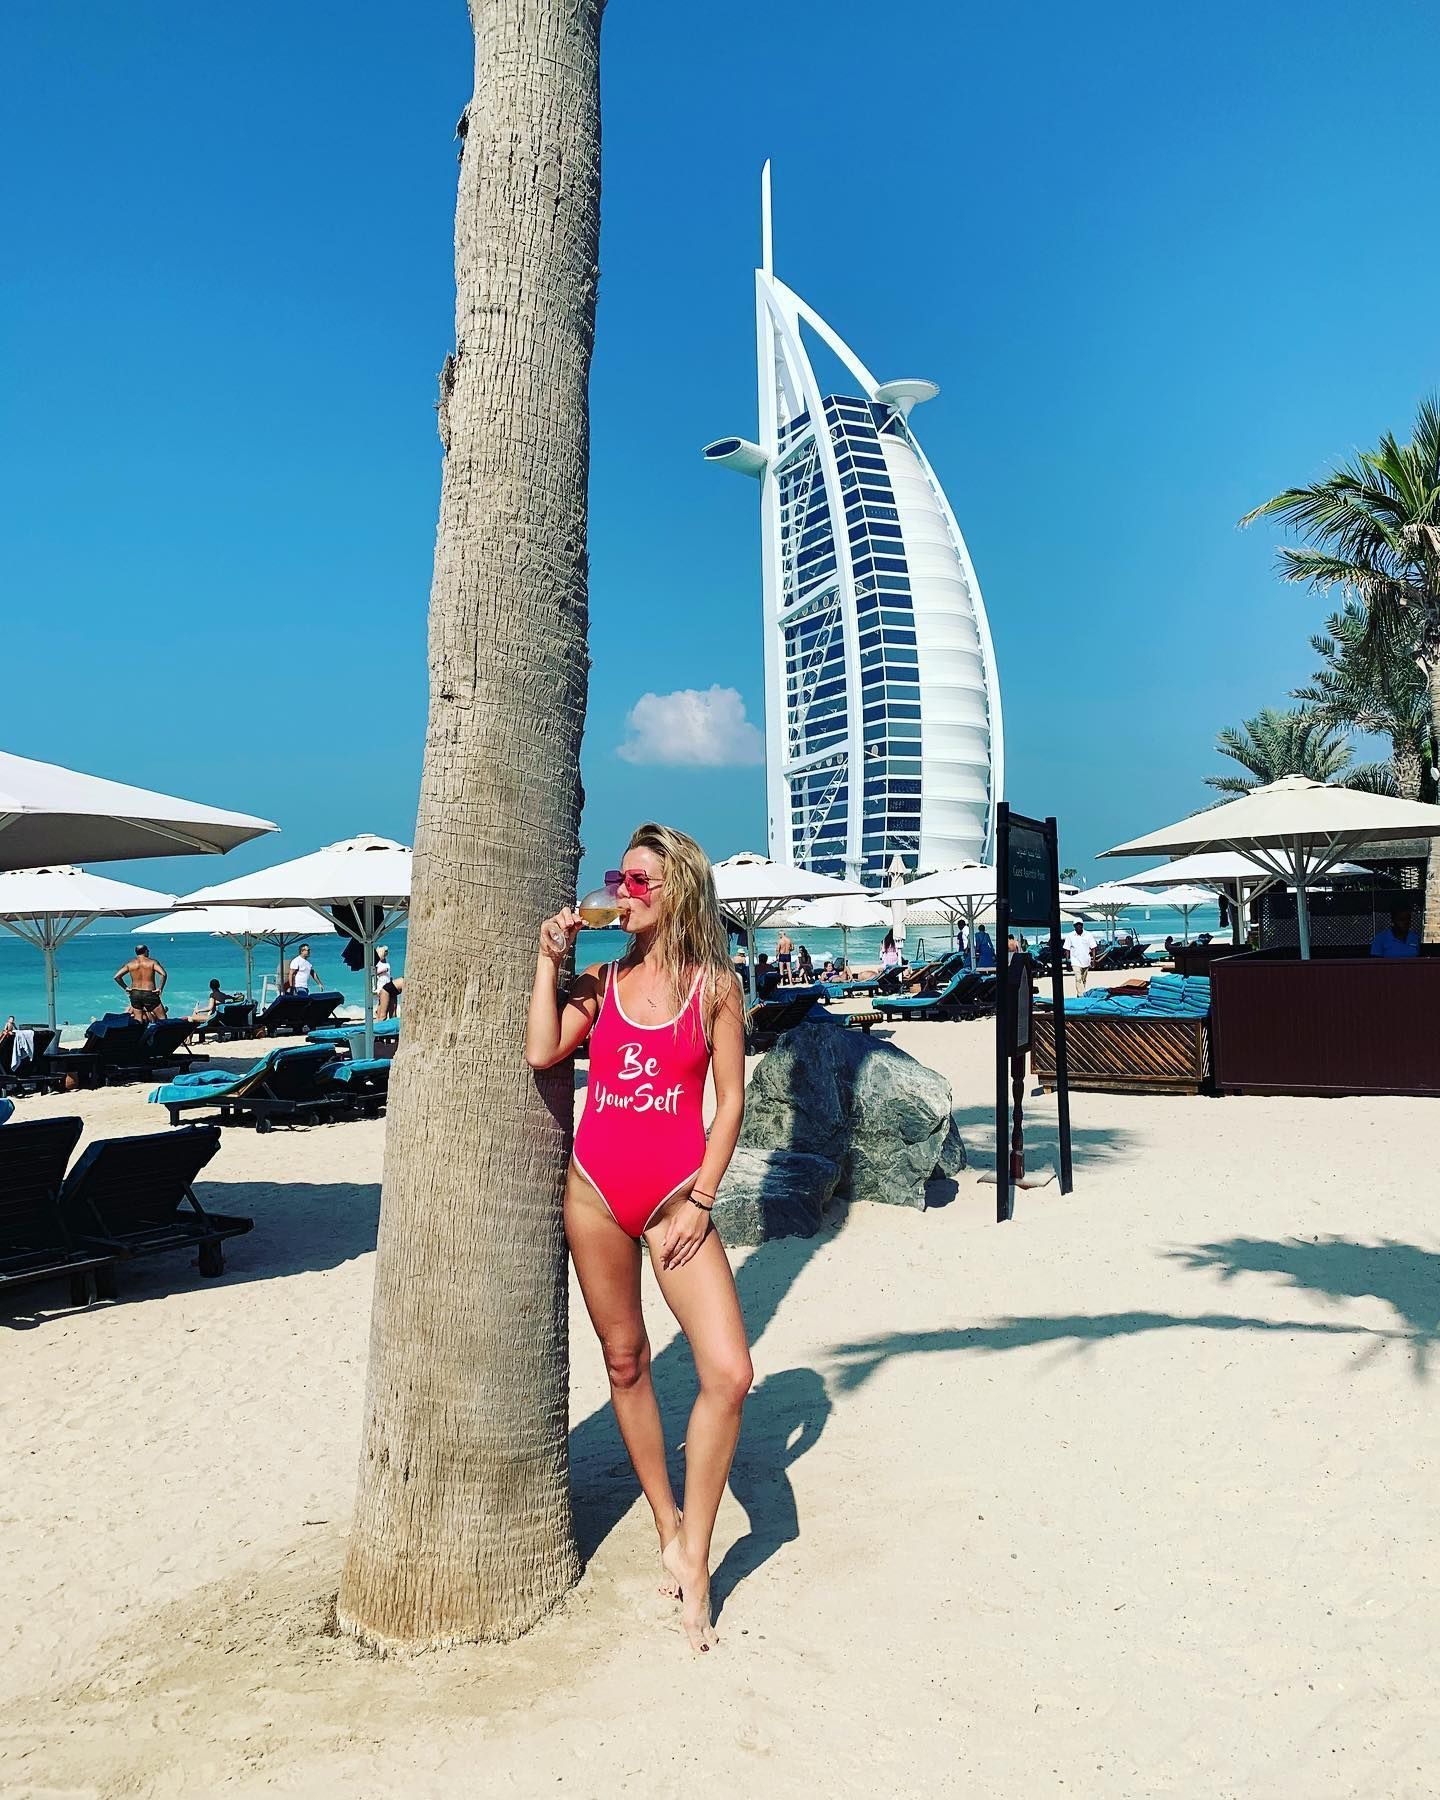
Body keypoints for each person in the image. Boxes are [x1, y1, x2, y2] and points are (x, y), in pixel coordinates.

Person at [527, 823, 751, 1655]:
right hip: (593, 1194)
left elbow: (730, 1100)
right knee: (625, 1360)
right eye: (618, 878)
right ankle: (667, 1520)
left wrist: (702, 1199)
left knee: (729, 1372)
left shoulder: (716, 988)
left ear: (678, 889)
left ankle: (697, 1551)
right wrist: (548, 960)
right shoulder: (604, 979)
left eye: (639, 880)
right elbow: (542, 1048)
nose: (622, 892)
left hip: (672, 1204)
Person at [114, 944, 167, 1020]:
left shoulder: (130, 964)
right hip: (149, 993)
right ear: (145, 951)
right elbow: (163, 974)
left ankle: (138, 1027)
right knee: (162, 1017)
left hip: (135, 993)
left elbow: (117, 977)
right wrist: (160, 988)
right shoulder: (152, 962)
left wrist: (126, 987)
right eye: (148, 951)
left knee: (138, 1019)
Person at [374, 945, 405, 1020]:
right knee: (382, 1005)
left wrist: (391, 979)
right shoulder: (378, 963)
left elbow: (388, 973)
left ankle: (382, 1016)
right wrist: (383, 971)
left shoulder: (387, 963)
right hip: (382, 984)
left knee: (392, 1006)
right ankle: (379, 1016)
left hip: (388, 982)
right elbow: (375, 973)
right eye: (385, 952)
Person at [1068, 919, 1098, 994]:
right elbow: (1067, 949)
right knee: (1078, 978)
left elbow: (1093, 948)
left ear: (1082, 925)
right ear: (1074, 926)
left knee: (1083, 980)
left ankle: (1080, 995)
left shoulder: (1088, 935)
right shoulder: (1070, 936)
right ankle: (1081, 995)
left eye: (1080, 924)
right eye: (1077, 925)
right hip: (1075, 961)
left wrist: (1094, 960)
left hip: (1086, 961)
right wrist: (1067, 961)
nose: (1079, 926)